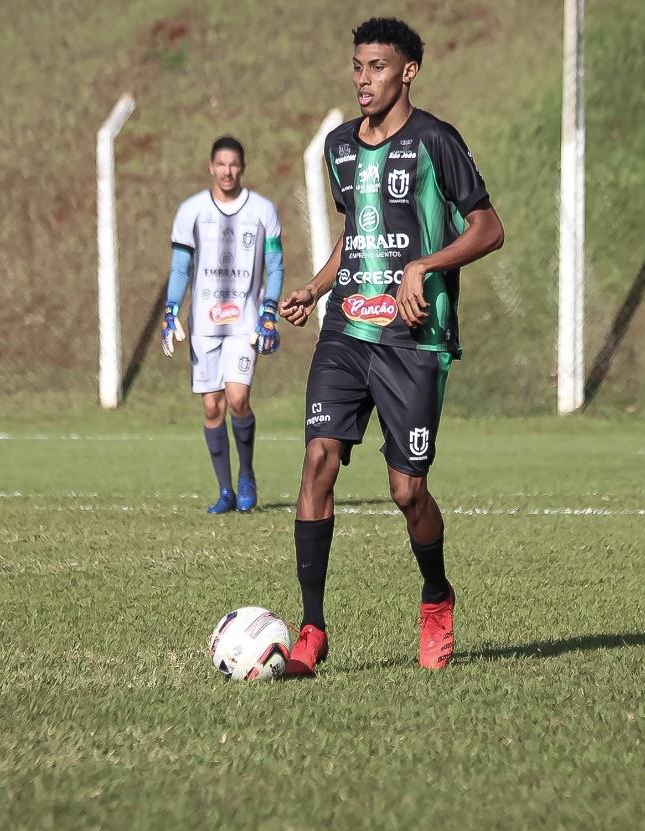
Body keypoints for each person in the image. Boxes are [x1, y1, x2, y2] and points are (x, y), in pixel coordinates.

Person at [278, 18, 504, 673]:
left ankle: (436, 594)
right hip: (347, 329)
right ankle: (312, 629)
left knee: (408, 492)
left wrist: (424, 267)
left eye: (376, 67)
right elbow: (357, 230)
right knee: (318, 459)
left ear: (407, 72)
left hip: (413, 341)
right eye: (356, 66)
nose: (362, 80)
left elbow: (489, 228)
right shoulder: (339, 146)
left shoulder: (437, 140)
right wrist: (318, 287)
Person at [162, 136, 284, 514]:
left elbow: (275, 265)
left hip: (245, 324)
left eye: (234, 164)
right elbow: (181, 267)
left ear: (242, 168)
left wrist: (269, 312)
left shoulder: (263, 210)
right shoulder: (191, 211)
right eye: (221, 164)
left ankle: (247, 475)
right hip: (204, 325)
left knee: (237, 399)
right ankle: (225, 491)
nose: (227, 171)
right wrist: (170, 310)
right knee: (213, 408)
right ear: (211, 167)